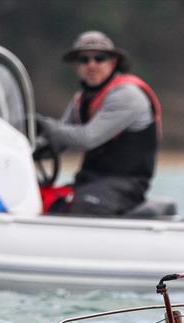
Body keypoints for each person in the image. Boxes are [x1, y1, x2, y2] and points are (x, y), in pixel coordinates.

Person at [35, 31, 162, 216]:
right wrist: (24, 145)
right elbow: (58, 143)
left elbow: (87, 138)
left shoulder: (127, 95)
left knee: (81, 208)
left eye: (99, 58)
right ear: (77, 66)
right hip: (88, 183)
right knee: (40, 201)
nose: (91, 65)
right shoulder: (80, 100)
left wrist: (44, 124)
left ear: (113, 62)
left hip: (125, 185)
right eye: (84, 60)